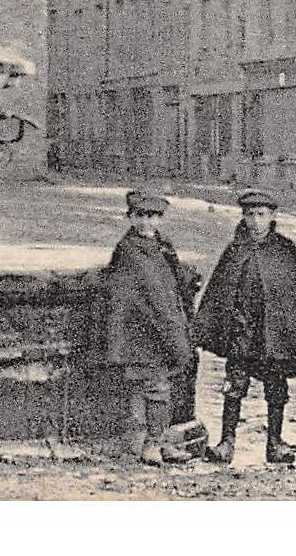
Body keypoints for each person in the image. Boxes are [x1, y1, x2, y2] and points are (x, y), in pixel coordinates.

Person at [192, 188, 296, 465]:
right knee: (234, 384)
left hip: (275, 336)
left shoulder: (284, 250)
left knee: (276, 386)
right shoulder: (235, 250)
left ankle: (275, 442)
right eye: (249, 215)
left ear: (272, 217)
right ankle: (227, 441)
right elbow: (219, 290)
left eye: (261, 215)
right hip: (242, 332)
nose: (255, 222)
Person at [104, 185, 207, 466]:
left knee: (163, 386)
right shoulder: (128, 251)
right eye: (140, 216)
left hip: (164, 329)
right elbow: (129, 293)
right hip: (143, 333)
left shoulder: (162, 245)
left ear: (160, 219)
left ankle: (160, 442)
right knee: (154, 388)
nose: (146, 222)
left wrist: (187, 279)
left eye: (153, 216)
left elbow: (167, 282)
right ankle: (150, 444)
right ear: (130, 217)